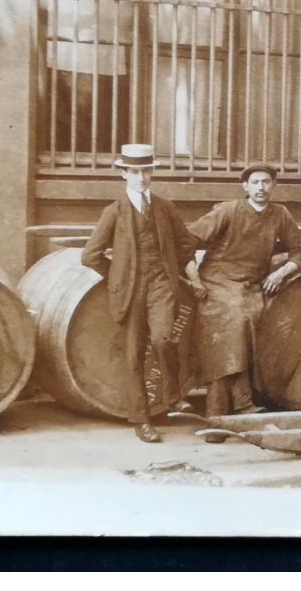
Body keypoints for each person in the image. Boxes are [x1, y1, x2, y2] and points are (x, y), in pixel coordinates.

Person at [81, 143, 201, 443]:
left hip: (161, 284)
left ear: (152, 173)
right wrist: (117, 279)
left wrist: (180, 271)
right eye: (134, 171)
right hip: (130, 291)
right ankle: (142, 420)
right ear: (123, 174)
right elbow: (90, 255)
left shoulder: (164, 207)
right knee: (134, 354)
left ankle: (173, 396)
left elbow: (186, 244)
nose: (141, 177)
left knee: (163, 338)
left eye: (146, 171)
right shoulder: (114, 211)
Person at [186, 162, 301, 421]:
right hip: (216, 282)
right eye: (255, 183)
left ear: (273, 185)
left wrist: (279, 273)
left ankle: (231, 407)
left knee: (253, 322)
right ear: (245, 187)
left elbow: (299, 250)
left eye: (266, 182)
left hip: (250, 286)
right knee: (234, 323)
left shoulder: (280, 214)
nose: (261, 187)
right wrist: (194, 277)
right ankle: (229, 407)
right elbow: (186, 240)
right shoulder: (227, 211)